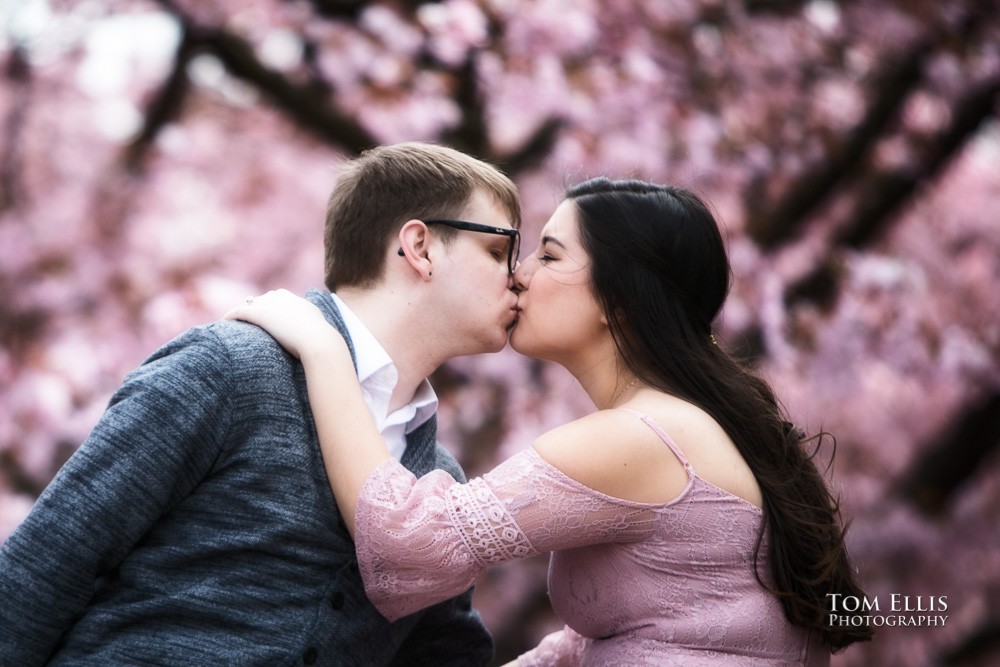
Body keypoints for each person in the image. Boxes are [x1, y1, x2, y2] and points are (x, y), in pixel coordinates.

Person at [229, 177, 874, 666]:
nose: (519, 277)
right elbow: (612, 639)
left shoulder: (641, 437)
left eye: (548, 255)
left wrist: (324, 351)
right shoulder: (684, 426)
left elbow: (407, 551)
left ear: (616, 301)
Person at [0, 142, 522, 665]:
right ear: (420, 247)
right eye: (499, 252)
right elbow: (44, 567)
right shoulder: (228, 369)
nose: (517, 278)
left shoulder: (436, 482)